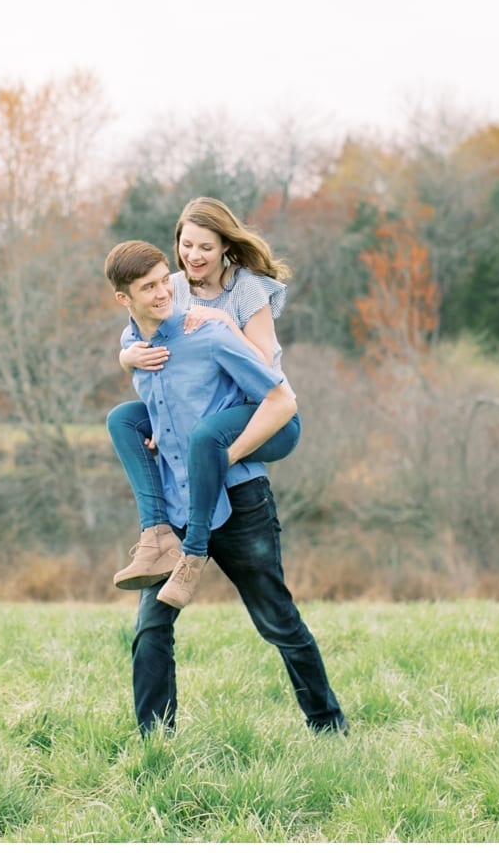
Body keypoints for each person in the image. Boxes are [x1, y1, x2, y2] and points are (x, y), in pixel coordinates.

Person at [103, 239, 347, 736]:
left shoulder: (209, 335)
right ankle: (155, 742)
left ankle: (329, 727)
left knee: (278, 622)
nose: (161, 293)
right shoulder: (138, 348)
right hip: (178, 507)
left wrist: (223, 449)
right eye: (146, 288)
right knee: (151, 627)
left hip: (239, 502)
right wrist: (129, 362)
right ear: (123, 299)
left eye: (161, 281)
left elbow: (278, 399)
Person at [108, 197, 300, 600]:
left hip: (264, 413)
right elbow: (150, 338)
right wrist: (126, 358)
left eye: (206, 247)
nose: (193, 255)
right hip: (208, 410)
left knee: (206, 437)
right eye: (186, 244)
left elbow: (262, 367)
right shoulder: (171, 287)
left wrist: (224, 320)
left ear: (225, 247)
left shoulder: (247, 290)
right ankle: (155, 534)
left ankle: (192, 556)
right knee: (125, 419)